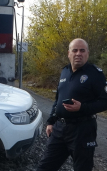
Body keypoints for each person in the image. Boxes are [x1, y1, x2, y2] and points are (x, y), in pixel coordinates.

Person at [37, 38, 107, 171]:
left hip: (83, 130)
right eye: (75, 50)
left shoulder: (95, 74)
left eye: (82, 50)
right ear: (69, 53)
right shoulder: (65, 71)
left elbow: (105, 101)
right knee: (45, 167)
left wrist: (82, 107)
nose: (78, 53)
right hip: (60, 129)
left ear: (88, 53)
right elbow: (58, 99)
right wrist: (51, 121)